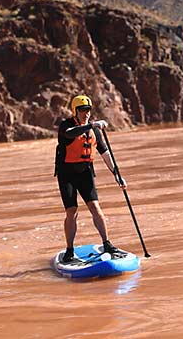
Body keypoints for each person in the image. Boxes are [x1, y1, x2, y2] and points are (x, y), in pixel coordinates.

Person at [54, 95, 127, 262]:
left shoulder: (94, 131)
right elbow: (70, 134)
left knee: (95, 206)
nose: (86, 113)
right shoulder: (66, 126)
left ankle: (107, 243)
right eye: (82, 110)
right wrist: (91, 125)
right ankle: (69, 250)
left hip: (85, 173)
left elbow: (105, 153)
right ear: (75, 111)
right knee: (71, 211)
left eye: (88, 110)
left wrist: (118, 175)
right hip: (67, 175)